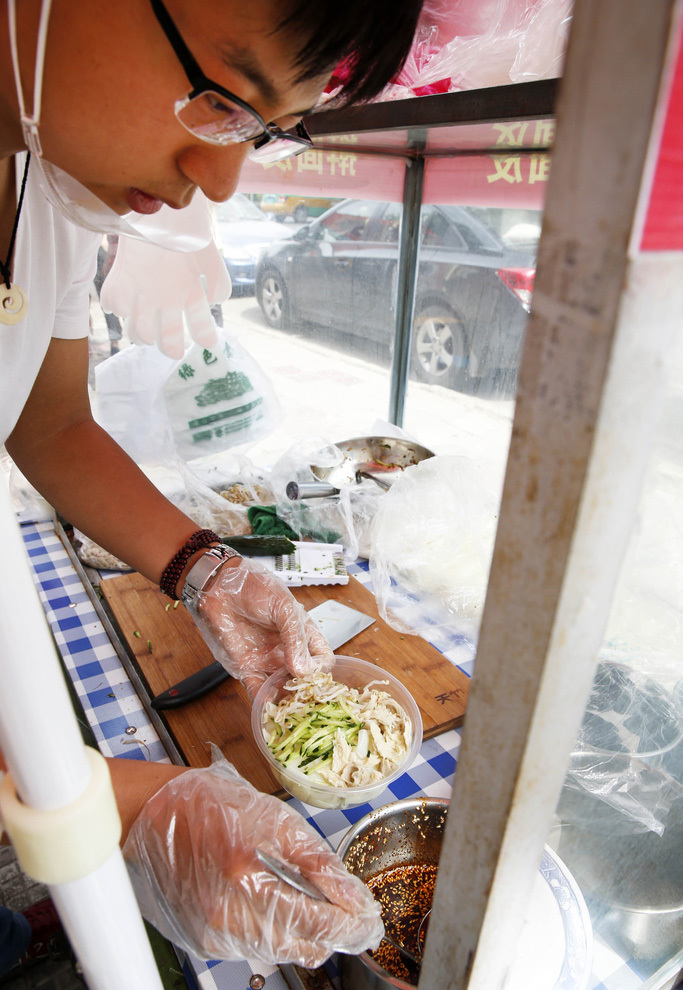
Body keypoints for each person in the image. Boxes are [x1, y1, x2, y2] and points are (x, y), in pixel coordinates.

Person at [0, 0, 424, 971]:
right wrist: (139, 805)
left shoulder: (51, 189)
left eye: (262, 133)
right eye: (226, 99)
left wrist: (202, 566)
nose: (220, 180)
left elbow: (50, 420)